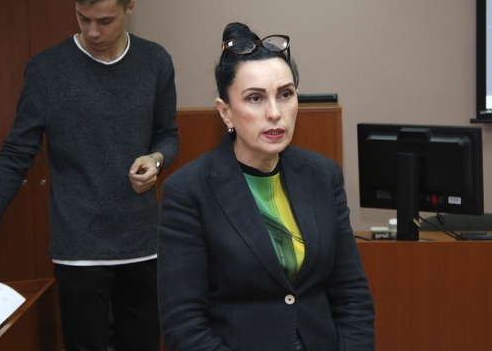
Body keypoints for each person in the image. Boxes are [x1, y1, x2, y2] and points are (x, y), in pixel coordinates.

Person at [0, 0, 178, 351]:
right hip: (77, 251)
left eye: (105, 20)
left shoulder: (155, 62)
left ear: (130, 7)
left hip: (141, 245)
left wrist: (156, 160)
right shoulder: (46, 70)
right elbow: (15, 155)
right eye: (83, 18)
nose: (93, 31)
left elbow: (168, 135)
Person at [157, 22, 375, 350]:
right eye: (255, 98)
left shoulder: (322, 175)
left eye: (285, 95)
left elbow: (352, 297)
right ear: (225, 112)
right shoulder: (189, 191)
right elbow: (183, 325)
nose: (275, 113)